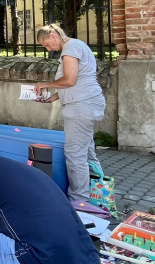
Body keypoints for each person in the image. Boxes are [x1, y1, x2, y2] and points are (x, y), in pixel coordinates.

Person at [32, 23, 106, 203]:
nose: (49, 49)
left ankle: (79, 201)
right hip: (84, 102)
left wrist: (44, 84)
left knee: (75, 154)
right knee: (86, 151)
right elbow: (76, 79)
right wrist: (53, 97)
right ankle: (99, 192)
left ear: (53, 35)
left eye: (47, 44)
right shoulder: (75, 46)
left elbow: (70, 79)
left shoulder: (71, 47)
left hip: (81, 105)